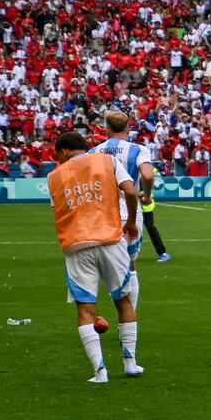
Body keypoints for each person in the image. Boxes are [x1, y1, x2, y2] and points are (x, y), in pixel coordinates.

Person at [46, 132, 143, 383]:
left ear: (64, 151)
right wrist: (131, 222)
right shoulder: (107, 161)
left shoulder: (54, 177)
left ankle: (100, 372)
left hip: (77, 244)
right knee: (123, 301)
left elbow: (58, 208)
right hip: (111, 239)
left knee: (85, 309)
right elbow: (131, 192)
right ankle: (130, 363)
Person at [88, 110, 156, 308]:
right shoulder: (138, 149)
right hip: (129, 212)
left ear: (106, 128)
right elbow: (148, 176)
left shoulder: (94, 151)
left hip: (103, 213)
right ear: (128, 127)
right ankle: (128, 316)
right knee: (130, 264)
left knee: (105, 263)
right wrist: (148, 194)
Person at [141, 169, 171, 262]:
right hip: (130, 203)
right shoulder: (128, 167)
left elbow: (158, 182)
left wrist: (147, 192)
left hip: (145, 204)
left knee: (150, 228)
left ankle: (162, 253)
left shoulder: (148, 168)